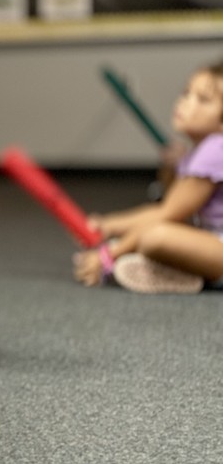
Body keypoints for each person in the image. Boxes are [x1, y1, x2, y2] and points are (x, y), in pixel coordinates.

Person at [73, 59, 223, 293]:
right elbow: (170, 200)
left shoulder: (215, 150)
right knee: (155, 234)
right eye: (186, 93)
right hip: (213, 238)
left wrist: (108, 255)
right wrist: (109, 226)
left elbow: (166, 214)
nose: (185, 103)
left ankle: (191, 274)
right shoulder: (202, 151)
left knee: (156, 237)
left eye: (203, 100)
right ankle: (181, 271)